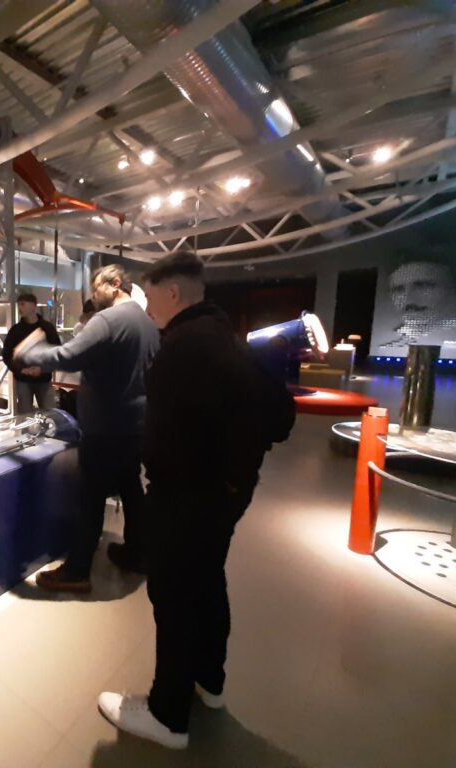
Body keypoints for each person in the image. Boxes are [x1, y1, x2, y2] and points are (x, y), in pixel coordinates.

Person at [97, 251, 285, 750]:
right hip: (225, 495)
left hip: (187, 499)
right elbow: (280, 415)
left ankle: (168, 713)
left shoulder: (183, 347)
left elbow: (163, 438)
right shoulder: (226, 335)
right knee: (206, 585)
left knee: (175, 598)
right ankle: (210, 681)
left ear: (173, 292)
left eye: (151, 295)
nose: (148, 305)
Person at [13, 264, 159, 593]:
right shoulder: (146, 323)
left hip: (105, 427)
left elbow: (69, 355)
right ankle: (138, 552)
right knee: (131, 488)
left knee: (90, 497)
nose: (93, 295)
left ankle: (77, 571)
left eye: (97, 288)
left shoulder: (107, 320)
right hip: (135, 425)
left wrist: (29, 352)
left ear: (115, 284)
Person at [2, 293, 60, 414]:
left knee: (50, 414)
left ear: (33, 306)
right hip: (23, 380)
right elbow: (7, 355)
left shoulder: (47, 328)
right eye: (19, 304)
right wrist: (21, 370)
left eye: (23, 304)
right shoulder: (15, 330)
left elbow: (56, 352)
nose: (20, 308)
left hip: (44, 379)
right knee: (25, 416)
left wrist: (43, 369)